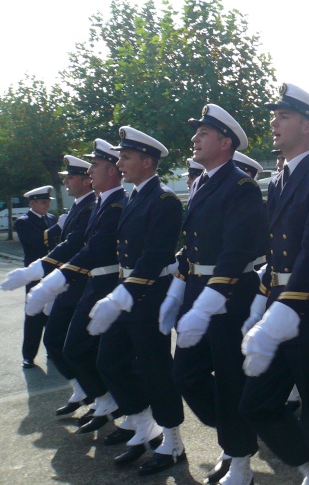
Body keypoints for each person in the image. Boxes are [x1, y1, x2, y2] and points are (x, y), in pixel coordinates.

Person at [239, 83, 309, 485]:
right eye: (275, 116)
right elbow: (277, 253)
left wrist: (285, 305)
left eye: (283, 116)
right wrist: (265, 301)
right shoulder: (279, 180)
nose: (274, 123)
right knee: (257, 403)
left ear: (307, 126)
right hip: (280, 303)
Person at [168, 104, 264, 485]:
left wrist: (207, 299)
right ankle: (233, 433)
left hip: (226, 296)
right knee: (186, 375)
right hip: (196, 291)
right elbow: (193, 246)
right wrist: (179, 290)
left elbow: (237, 251)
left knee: (229, 379)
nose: (194, 139)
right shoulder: (203, 182)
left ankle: (240, 461)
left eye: (203, 134)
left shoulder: (241, 185)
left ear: (224, 142)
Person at [87, 126, 185, 475]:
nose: (120, 163)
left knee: (157, 370)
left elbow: (156, 254)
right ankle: (144, 425)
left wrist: (123, 293)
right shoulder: (133, 197)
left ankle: (173, 441)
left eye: (126, 157)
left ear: (147, 161)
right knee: (109, 361)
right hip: (128, 292)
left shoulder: (164, 201)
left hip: (149, 295)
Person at [25, 140, 128, 429]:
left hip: (94, 287)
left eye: (93, 167)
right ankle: (99, 398)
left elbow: (86, 248)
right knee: (72, 347)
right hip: (84, 284)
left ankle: (112, 403)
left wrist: (50, 277)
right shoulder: (94, 205)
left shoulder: (109, 204)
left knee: (89, 352)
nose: (68, 180)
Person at [34, 156, 96, 410]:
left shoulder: (92, 206)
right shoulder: (79, 207)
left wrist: (40, 271)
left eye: (70, 177)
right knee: (56, 341)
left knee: (76, 345)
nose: (66, 181)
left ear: (85, 180)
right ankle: (83, 390)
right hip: (67, 284)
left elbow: (75, 246)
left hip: (80, 286)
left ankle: (99, 397)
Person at [1, 185, 57, 368]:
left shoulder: (51, 219)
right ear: (32, 203)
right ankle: (29, 355)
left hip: (52, 272)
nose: (47, 205)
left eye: (48, 202)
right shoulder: (23, 222)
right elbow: (37, 242)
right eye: (43, 202)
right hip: (34, 274)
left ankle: (52, 349)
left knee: (53, 314)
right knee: (33, 315)